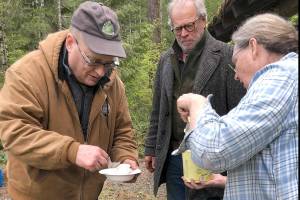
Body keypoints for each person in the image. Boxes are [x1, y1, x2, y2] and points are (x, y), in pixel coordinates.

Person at [0, 1, 138, 200]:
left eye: (108, 62)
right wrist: (72, 151)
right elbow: (15, 133)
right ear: (71, 42)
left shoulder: (113, 84)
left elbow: (122, 131)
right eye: (93, 60)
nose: (101, 72)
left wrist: (126, 158)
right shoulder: (27, 74)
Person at [177, 13, 298, 200]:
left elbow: (213, 151)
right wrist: (225, 181)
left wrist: (197, 103)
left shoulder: (280, 77)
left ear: (253, 47)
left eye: (235, 64)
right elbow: (278, 170)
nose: (235, 76)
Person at [144, 0, 246, 199]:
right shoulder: (166, 60)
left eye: (189, 26)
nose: (183, 34)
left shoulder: (226, 55)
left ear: (203, 20)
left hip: (212, 161)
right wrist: (151, 148)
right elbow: (159, 108)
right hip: (174, 157)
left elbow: (239, 113)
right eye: (177, 28)